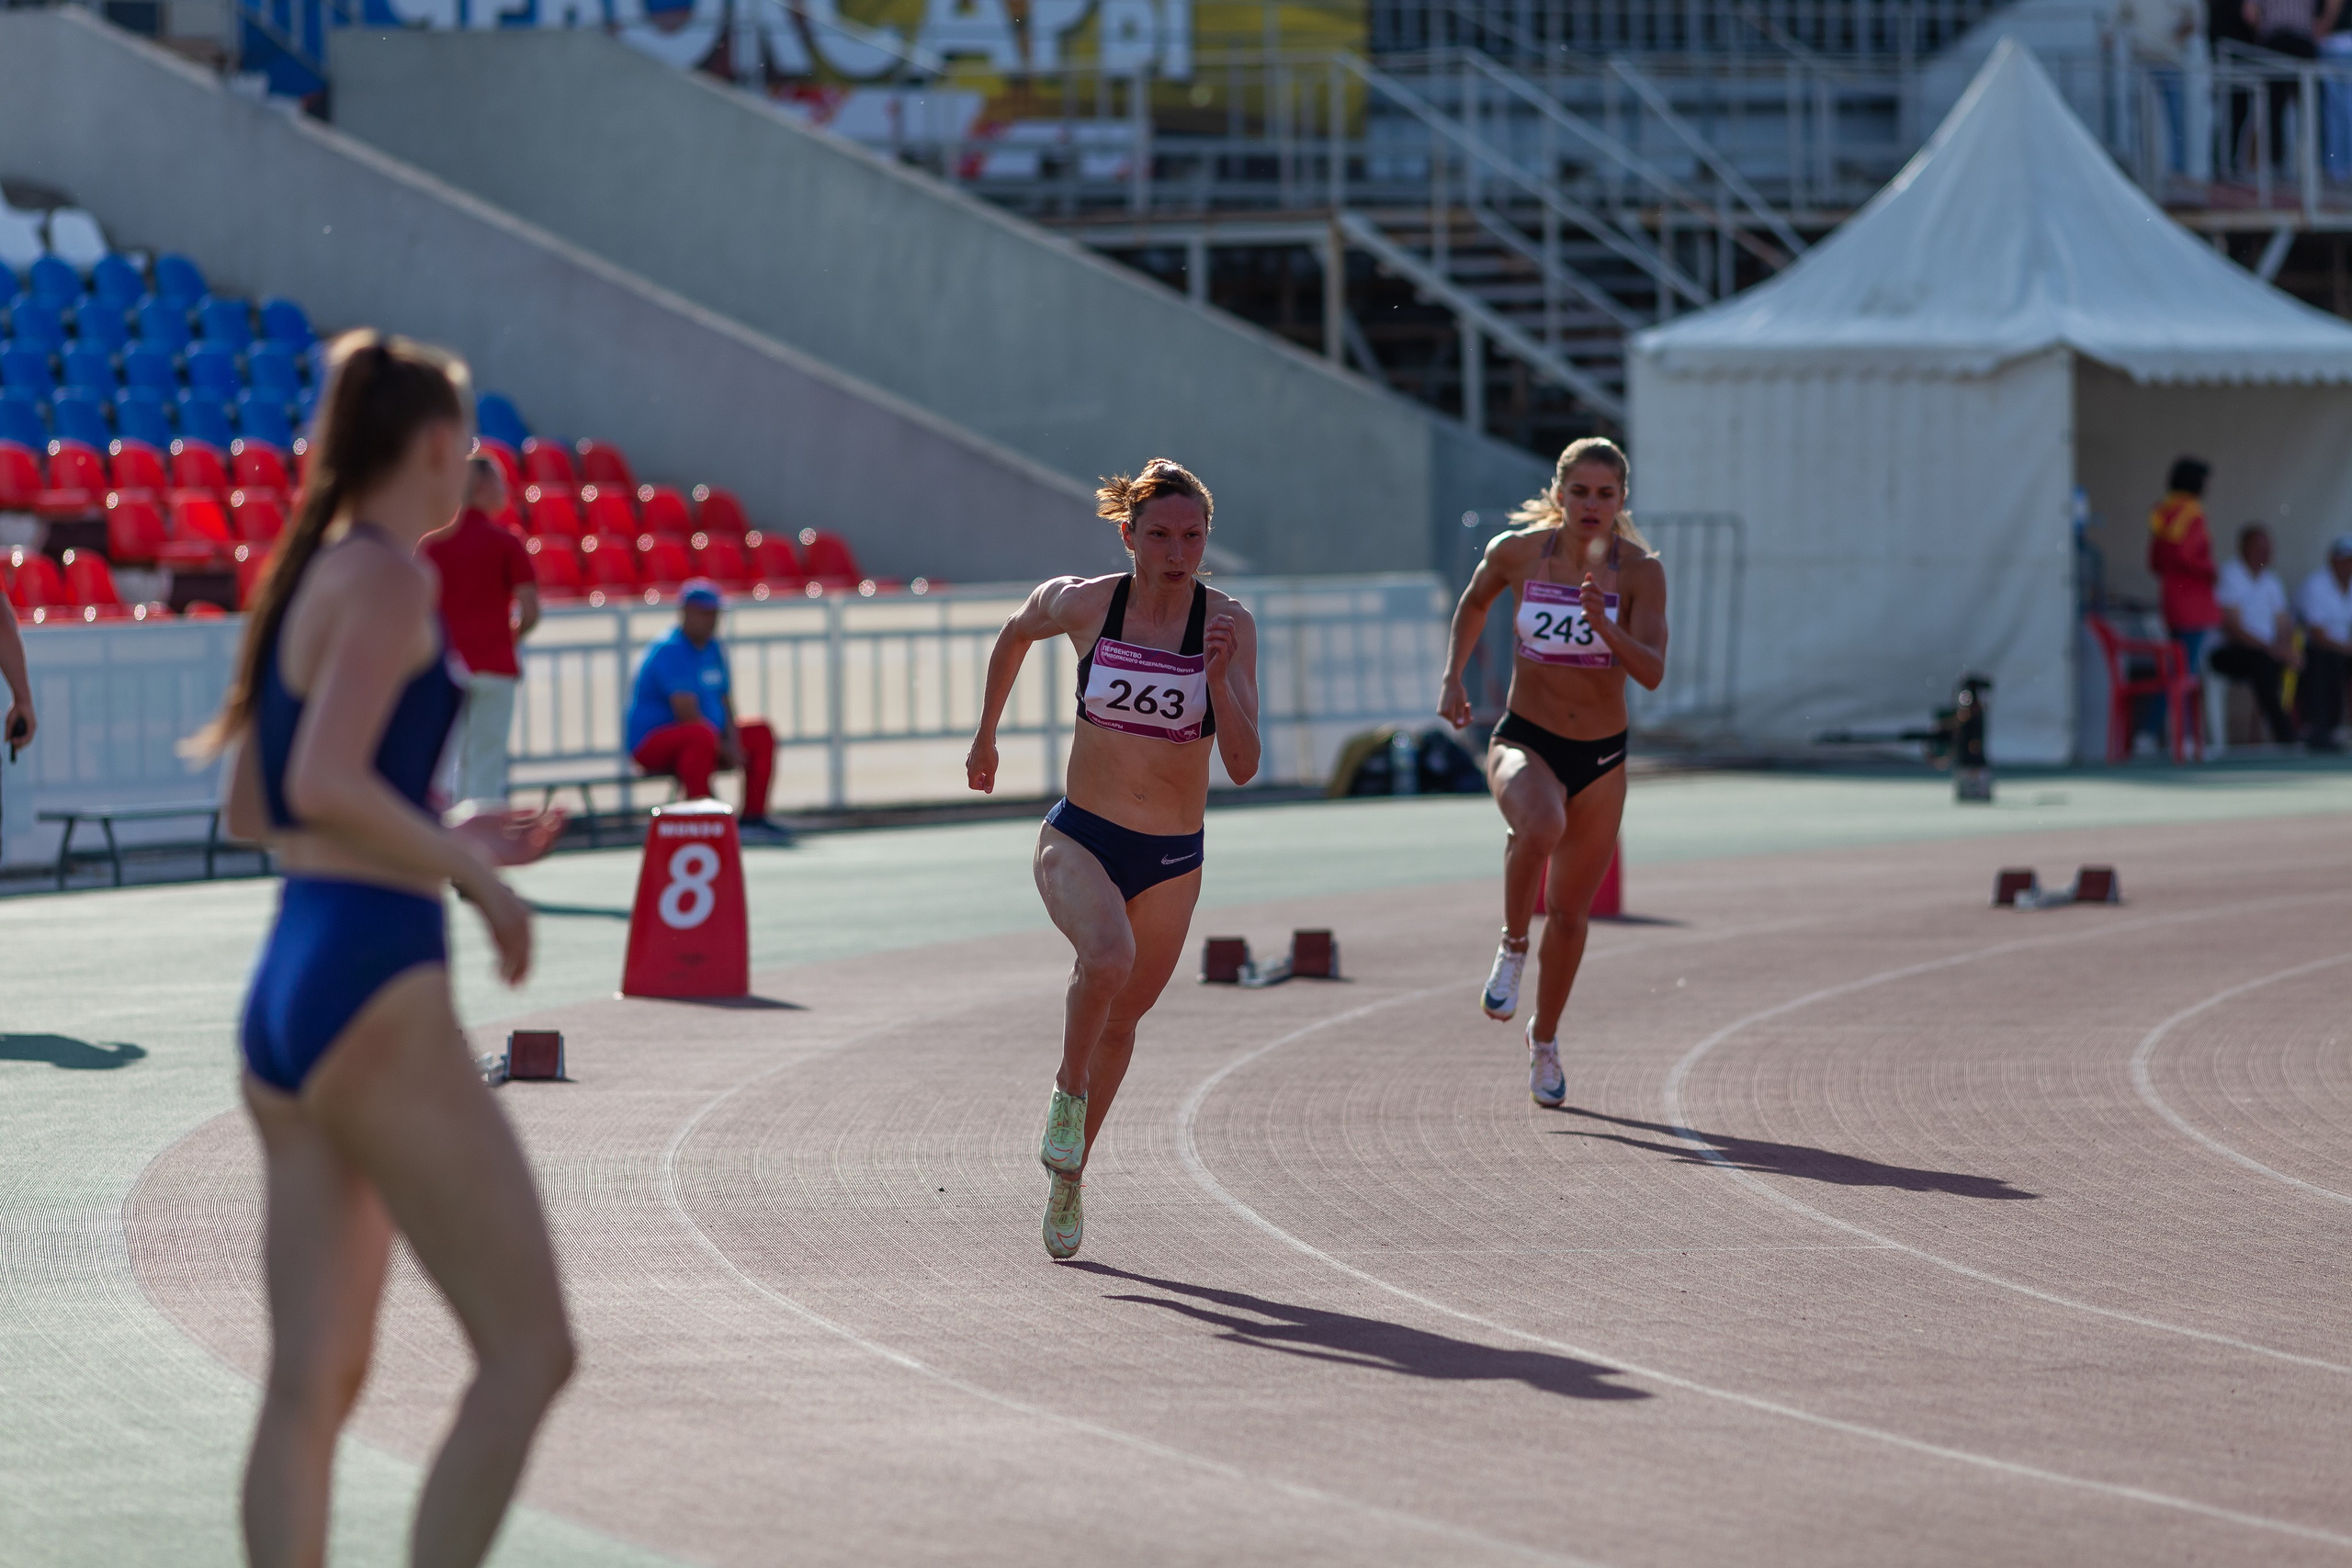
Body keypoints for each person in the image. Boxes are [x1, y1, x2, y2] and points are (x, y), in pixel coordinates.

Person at [187, 332, 573, 1568]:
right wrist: (470, 874)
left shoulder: (307, 577)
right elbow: (320, 776)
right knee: (530, 1350)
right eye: (463, 441)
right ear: (428, 445)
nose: (472, 463)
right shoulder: (395, 580)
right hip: (371, 976)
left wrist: (448, 824)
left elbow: (262, 807)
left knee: (311, 1382)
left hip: (290, 988)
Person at [964, 458, 1260, 1260]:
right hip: (1081, 836)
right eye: (1159, 534)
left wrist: (1220, 681)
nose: (1177, 550)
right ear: (1129, 535)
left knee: (1124, 1019)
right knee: (1106, 958)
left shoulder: (1228, 623)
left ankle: (1070, 1175)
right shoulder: (1089, 603)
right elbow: (1015, 632)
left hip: (1173, 854)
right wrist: (985, 733)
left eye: (1192, 536)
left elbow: (1242, 763)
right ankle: (1066, 1095)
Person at [1437, 437, 1667, 1109]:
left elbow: (1650, 670)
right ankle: (1512, 946)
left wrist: (1606, 624)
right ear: (1558, 492)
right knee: (1540, 822)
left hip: (1602, 755)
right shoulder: (1517, 552)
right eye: (1580, 492)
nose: (1592, 505)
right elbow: (1474, 602)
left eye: (1606, 494)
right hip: (1525, 737)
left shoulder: (1641, 572)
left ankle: (1544, 1038)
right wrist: (1454, 676)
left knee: (1570, 914)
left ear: (1622, 500)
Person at [423, 456, 538, 807]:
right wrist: (508, 638)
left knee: (442, 768)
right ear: (482, 486)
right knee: (486, 766)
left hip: (444, 668)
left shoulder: (431, 543)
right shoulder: (506, 542)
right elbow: (530, 610)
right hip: (494, 665)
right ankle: (481, 849)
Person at [623, 581, 780, 833]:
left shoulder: (714, 648)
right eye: (704, 613)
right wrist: (727, 748)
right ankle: (706, 817)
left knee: (759, 732)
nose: (711, 620)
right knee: (700, 735)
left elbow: (725, 701)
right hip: (653, 743)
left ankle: (753, 816)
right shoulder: (670, 650)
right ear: (685, 612)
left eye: (715, 614)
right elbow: (687, 714)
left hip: (705, 739)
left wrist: (734, 740)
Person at [2148, 457, 2222, 750]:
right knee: (2183, 675)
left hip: (2172, 597)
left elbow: (2154, 561)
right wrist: (2210, 570)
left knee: (2175, 671)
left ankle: (2156, 733)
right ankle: (2176, 736)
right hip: (2193, 603)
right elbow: (2187, 555)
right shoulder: (2191, 512)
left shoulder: (2162, 511)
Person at [2211, 521, 2301, 744]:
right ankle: (2286, 737)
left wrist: (2285, 649)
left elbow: (2283, 624)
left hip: (2265, 653)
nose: (2265, 553)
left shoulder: (2272, 581)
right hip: (2228, 652)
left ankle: (2314, 728)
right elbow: (2232, 628)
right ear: (2244, 548)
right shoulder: (2229, 574)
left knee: (2306, 660)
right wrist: (2274, 650)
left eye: (2268, 549)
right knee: (2262, 662)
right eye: (2259, 548)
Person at [2246, 0, 2342, 164]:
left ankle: (2276, 160)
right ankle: (2316, 160)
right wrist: (2324, 24)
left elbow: (2250, 13)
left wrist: (2263, 29)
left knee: (2274, 106)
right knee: (2311, 106)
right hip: (2302, 41)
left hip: (2275, 41)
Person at [2294, 535, 2352, 750]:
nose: (2346, 565)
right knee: (2326, 660)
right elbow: (2317, 635)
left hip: (2345, 651)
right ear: (2332, 561)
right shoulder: (2316, 585)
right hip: (2319, 652)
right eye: (2342, 560)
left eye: (2350, 560)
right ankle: (2323, 729)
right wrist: (2347, 648)